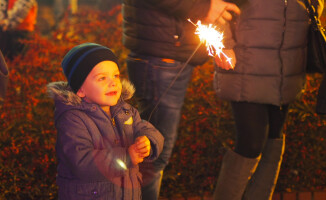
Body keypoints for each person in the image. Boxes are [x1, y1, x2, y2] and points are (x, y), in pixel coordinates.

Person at [122, 0, 240, 199]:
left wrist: (224, 40)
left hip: (169, 53)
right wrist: (206, 9)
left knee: (153, 153)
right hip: (162, 55)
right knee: (152, 156)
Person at [213, 0, 324, 199]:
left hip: (288, 64)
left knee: (274, 138)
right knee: (251, 145)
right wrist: (223, 44)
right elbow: (215, 7)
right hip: (246, 64)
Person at [47, 43, 164, 200]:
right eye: (102, 78)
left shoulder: (126, 111)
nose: (113, 82)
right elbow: (81, 162)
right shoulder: (73, 119)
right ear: (80, 89)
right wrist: (127, 157)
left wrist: (148, 142)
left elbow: (146, 129)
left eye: (115, 76)